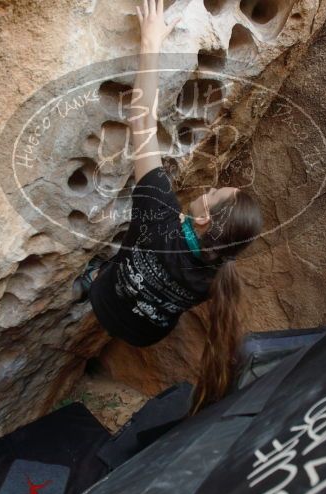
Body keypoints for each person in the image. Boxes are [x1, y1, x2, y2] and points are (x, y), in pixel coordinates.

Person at [73, 0, 263, 415]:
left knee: (116, 260)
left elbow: (142, 119)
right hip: (146, 333)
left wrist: (150, 41)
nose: (211, 186)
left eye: (215, 193)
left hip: (106, 298)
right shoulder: (218, 276)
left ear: (206, 217)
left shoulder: (158, 209)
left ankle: (92, 277)